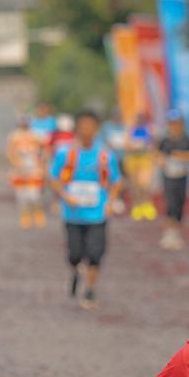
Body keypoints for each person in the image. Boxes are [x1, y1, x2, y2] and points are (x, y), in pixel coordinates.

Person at [49, 110, 121, 308]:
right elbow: (53, 179)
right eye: (83, 126)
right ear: (77, 129)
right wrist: (65, 197)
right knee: (74, 255)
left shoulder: (105, 155)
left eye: (90, 126)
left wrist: (110, 203)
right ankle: (75, 271)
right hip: (73, 214)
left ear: (96, 128)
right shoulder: (66, 153)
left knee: (95, 254)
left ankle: (89, 291)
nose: (86, 130)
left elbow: (116, 181)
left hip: (97, 214)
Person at [157, 111, 189, 250]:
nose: (174, 126)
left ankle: (176, 233)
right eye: (172, 123)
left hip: (182, 176)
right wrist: (163, 161)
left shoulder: (188, 140)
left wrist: (179, 156)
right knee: (171, 204)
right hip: (169, 177)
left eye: (177, 123)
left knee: (180, 205)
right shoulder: (165, 141)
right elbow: (159, 155)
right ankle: (169, 234)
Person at [6, 116, 47, 228]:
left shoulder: (36, 135)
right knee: (21, 195)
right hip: (19, 170)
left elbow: (45, 149)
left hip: (34, 169)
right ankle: (25, 215)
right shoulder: (14, 136)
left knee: (34, 195)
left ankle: (38, 212)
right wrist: (15, 163)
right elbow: (10, 152)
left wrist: (42, 163)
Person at [124, 115, 157, 221]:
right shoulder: (131, 131)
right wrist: (133, 146)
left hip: (145, 159)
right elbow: (127, 145)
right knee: (135, 185)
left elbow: (153, 145)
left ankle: (147, 204)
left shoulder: (148, 130)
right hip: (133, 159)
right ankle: (137, 205)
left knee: (144, 184)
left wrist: (148, 148)